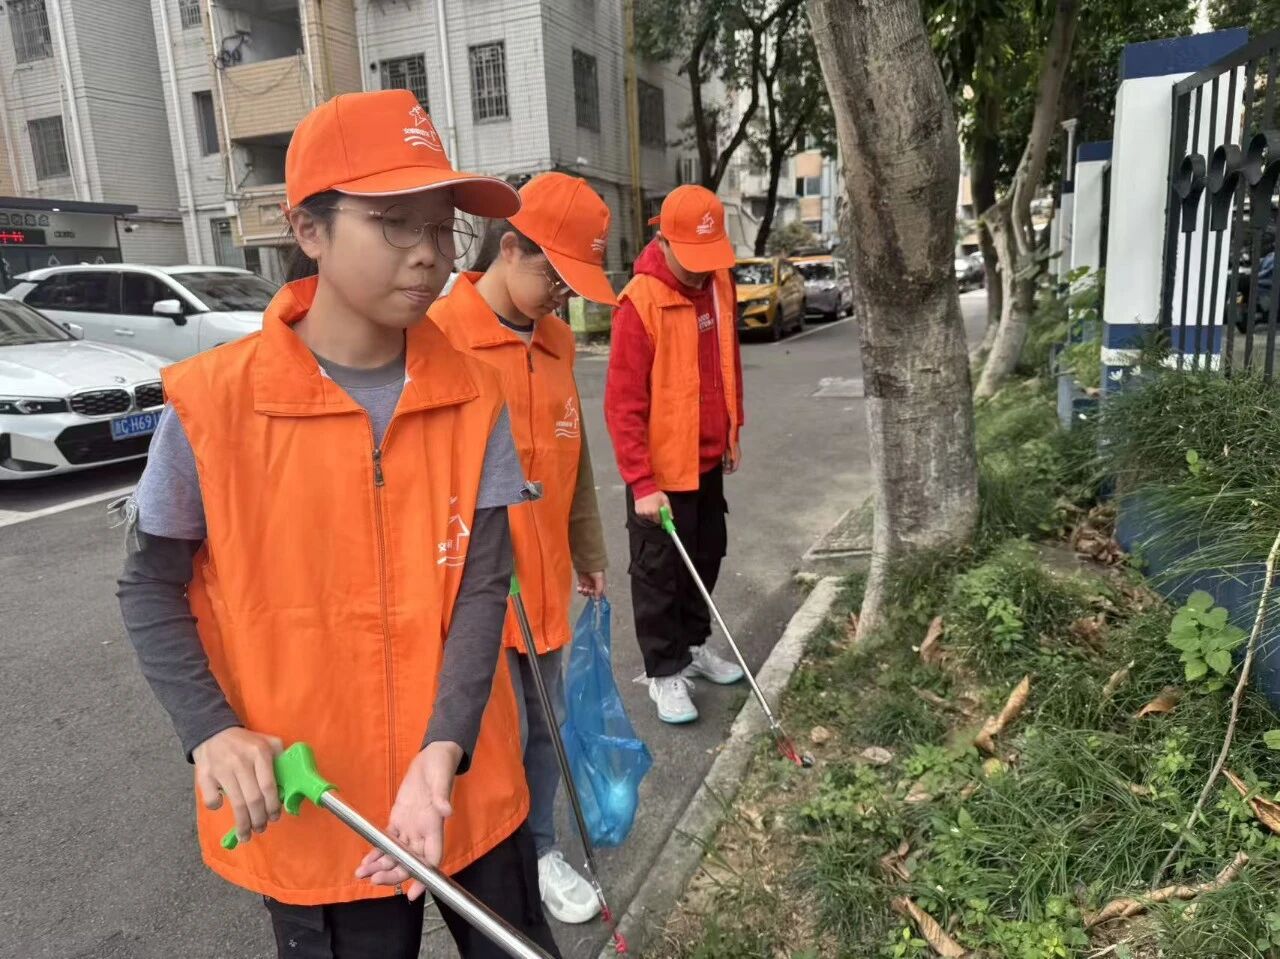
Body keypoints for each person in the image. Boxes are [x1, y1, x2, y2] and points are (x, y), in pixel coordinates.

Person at [115, 90, 560, 959]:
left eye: (443, 228)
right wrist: (211, 729)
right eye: (396, 222)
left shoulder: (476, 394)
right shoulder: (213, 405)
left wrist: (443, 750)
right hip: (322, 805)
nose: (429, 253)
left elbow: (481, 585)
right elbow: (149, 587)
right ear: (308, 230)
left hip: (463, 779)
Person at [428, 171, 613, 925]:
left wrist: (588, 546)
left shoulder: (558, 343)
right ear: (510, 249)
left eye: (573, 286)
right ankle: (483, 858)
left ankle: (539, 849)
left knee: (545, 725)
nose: (562, 299)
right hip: (471, 590)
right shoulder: (440, 335)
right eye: (555, 278)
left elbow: (576, 457)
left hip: (544, 579)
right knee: (479, 738)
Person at [604, 184, 747, 725]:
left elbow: (726, 362)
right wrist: (641, 481)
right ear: (662, 241)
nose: (701, 270)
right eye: (691, 257)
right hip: (660, 474)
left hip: (707, 459)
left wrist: (732, 430)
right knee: (659, 575)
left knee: (706, 556)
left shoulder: (719, 283)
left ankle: (692, 646)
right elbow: (622, 402)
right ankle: (664, 672)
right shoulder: (640, 302)